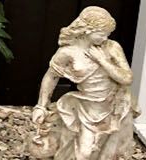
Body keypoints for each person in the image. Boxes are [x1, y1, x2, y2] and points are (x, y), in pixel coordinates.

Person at [29, 6, 139, 160]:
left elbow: (127, 79)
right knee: (85, 152)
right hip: (86, 107)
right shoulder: (67, 52)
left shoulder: (111, 48)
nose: (105, 38)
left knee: (108, 152)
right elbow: (51, 77)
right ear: (87, 30)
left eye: (108, 34)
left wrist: (103, 61)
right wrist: (41, 106)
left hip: (113, 105)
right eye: (102, 34)